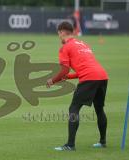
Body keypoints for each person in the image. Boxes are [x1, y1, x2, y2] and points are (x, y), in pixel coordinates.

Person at [46, 21, 108, 151]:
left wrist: (53, 80)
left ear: (62, 32)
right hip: (102, 76)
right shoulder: (83, 44)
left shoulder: (65, 47)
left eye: (58, 33)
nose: (59, 36)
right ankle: (102, 142)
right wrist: (67, 77)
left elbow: (65, 70)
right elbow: (83, 69)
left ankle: (70, 145)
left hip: (89, 78)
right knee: (99, 109)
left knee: (74, 108)